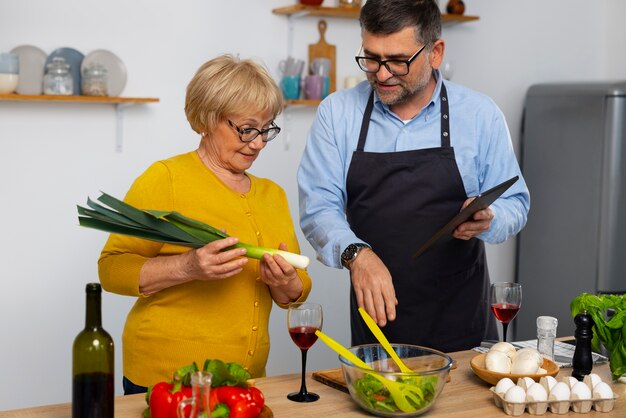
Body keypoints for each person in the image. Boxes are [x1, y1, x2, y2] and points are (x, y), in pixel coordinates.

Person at [297, 0, 530, 353]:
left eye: (397, 61)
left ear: (435, 53)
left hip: (461, 322)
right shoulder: (337, 113)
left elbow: (516, 203)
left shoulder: (480, 114)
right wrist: (357, 255)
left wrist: (489, 217)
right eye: (371, 58)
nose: (382, 73)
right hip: (377, 328)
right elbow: (318, 207)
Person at [99, 54, 312, 394]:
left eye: (266, 128)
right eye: (246, 129)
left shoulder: (273, 194)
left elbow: (295, 291)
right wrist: (188, 266)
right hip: (167, 379)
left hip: (245, 378)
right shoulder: (164, 179)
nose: (257, 142)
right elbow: (112, 269)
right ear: (208, 119)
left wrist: (285, 283)